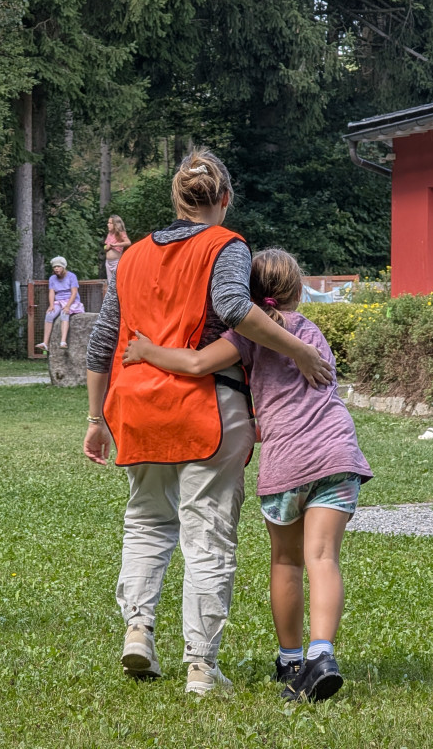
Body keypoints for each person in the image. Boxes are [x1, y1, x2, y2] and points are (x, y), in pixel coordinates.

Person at [83, 147, 334, 696]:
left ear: (176, 198)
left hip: (136, 407)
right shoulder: (226, 245)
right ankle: (200, 665)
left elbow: (103, 340)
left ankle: (138, 630)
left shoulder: (132, 256)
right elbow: (235, 308)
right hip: (206, 409)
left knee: (146, 521)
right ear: (224, 198)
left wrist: (96, 418)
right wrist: (300, 350)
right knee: (208, 534)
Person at [123, 248, 372, 702]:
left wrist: (145, 351)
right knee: (324, 558)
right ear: (298, 292)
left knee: (287, 561)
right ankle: (321, 655)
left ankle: (290, 660)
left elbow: (196, 364)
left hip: (288, 462)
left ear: (244, 294)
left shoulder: (245, 336)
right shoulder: (311, 332)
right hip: (336, 454)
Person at [37, 256, 85, 352]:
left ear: (63, 267)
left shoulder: (71, 276)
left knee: (64, 313)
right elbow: (51, 292)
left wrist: (67, 306)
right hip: (59, 301)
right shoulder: (52, 278)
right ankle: (45, 343)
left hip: (71, 301)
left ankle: (63, 341)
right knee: (49, 315)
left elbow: (74, 292)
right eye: (55, 267)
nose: (56, 269)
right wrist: (51, 305)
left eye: (58, 267)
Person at [104, 215, 131, 285]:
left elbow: (128, 242)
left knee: (117, 281)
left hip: (116, 262)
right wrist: (107, 247)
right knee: (110, 283)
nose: (108, 225)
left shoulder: (120, 233)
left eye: (110, 223)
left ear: (115, 224)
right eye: (108, 223)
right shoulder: (109, 234)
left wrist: (115, 245)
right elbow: (106, 247)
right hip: (108, 262)